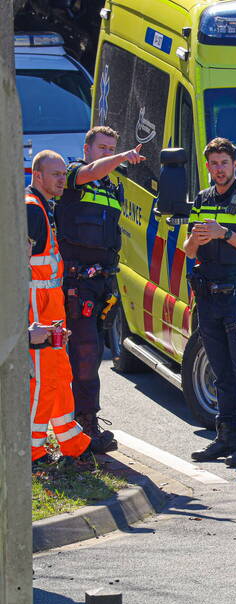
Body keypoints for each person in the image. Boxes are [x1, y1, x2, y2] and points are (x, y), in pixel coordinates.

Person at [55, 126, 145, 453]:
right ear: (87, 148)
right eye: (103, 148)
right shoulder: (74, 174)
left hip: (102, 283)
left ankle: (82, 423)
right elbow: (90, 171)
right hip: (76, 283)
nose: (108, 153)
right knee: (85, 352)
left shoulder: (111, 187)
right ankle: (84, 427)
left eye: (112, 148)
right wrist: (123, 157)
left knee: (91, 355)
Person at [184, 138, 236, 468]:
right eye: (214, 163)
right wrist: (196, 239)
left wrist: (225, 234)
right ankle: (226, 435)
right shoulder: (203, 199)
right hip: (208, 296)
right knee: (220, 371)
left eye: (224, 163)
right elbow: (189, 251)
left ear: (235, 165)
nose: (219, 169)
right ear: (207, 167)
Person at [26, 150, 95, 469]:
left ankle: (72, 443)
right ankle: (30, 453)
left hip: (49, 310)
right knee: (41, 381)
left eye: (62, 173)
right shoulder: (32, 211)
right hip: (36, 312)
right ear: (37, 175)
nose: (61, 180)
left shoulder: (43, 207)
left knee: (57, 376)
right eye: (55, 174)